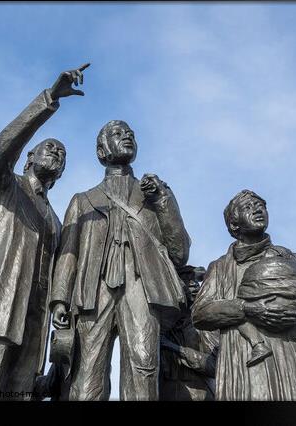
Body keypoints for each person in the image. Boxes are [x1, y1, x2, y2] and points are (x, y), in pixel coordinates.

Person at [0, 64, 90, 401]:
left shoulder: (56, 221)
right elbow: (2, 147)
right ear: (28, 157)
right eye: (50, 148)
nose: (58, 153)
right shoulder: (3, 188)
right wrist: (49, 98)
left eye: (63, 154)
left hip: (35, 320)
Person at [50, 120, 191, 401]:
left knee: (144, 366)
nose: (126, 135)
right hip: (92, 291)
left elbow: (179, 252)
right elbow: (69, 254)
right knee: (87, 374)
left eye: (131, 134)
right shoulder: (83, 200)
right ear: (102, 151)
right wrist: (59, 300)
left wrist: (164, 201)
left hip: (142, 287)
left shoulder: (154, 196)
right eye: (117, 133)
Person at [191, 190, 296, 400]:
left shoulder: (293, 259)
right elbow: (200, 313)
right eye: (248, 207)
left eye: (261, 206)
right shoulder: (220, 268)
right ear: (234, 225)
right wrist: (248, 309)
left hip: (293, 358)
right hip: (245, 361)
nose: (258, 210)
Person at [159, 266, 218, 401]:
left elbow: (213, 366)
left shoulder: (204, 324)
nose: (193, 285)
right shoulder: (164, 324)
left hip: (200, 393)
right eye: (187, 281)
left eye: (195, 281)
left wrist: (174, 348)